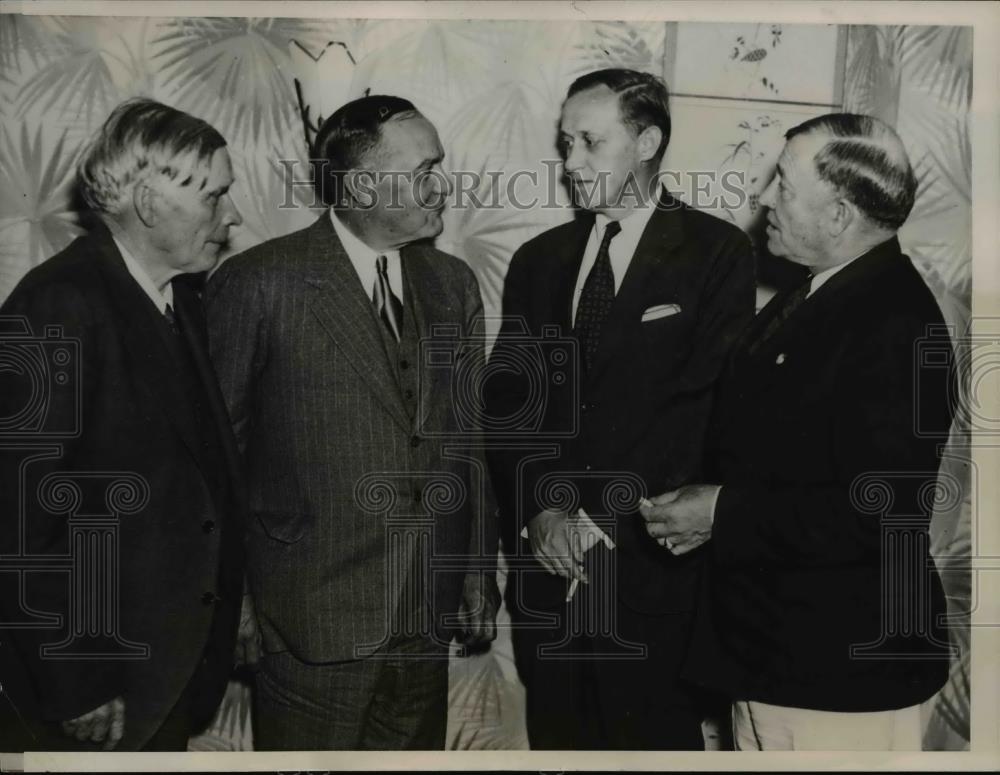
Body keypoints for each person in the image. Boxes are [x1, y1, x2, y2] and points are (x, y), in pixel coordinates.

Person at [640, 113, 955, 750]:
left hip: (839, 674)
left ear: (839, 215)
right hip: (780, 655)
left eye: (782, 185)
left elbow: (880, 512)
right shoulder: (822, 294)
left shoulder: (895, 321)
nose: (763, 199)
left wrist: (720, 511)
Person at [206, 95, 499, 750]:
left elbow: (466, 440)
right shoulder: (259, 282)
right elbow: (214, 461)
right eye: (425, 170)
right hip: (309, 621)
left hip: (426, 611)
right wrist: (233, 603)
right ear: (364, 184)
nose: (441, 185)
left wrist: (478, 570)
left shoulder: (452, 283)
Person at [484, 68, 755, 750]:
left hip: (649, 565)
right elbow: (511, 404)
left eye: (589, 142)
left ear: (647, 141)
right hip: (549, 567)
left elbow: (705, 409)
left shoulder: (717, 252)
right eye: (566, 142)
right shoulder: (537, 260)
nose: (571, 163)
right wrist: (543, 509)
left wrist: (600, 515)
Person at [0, 98, 247, 751]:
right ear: (149, 203)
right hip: (99, 686)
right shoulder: (58, 304)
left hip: (163, 669)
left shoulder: (179, 295)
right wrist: (76, 679)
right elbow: (20, 520)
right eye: (215, 196)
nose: (233, 215)